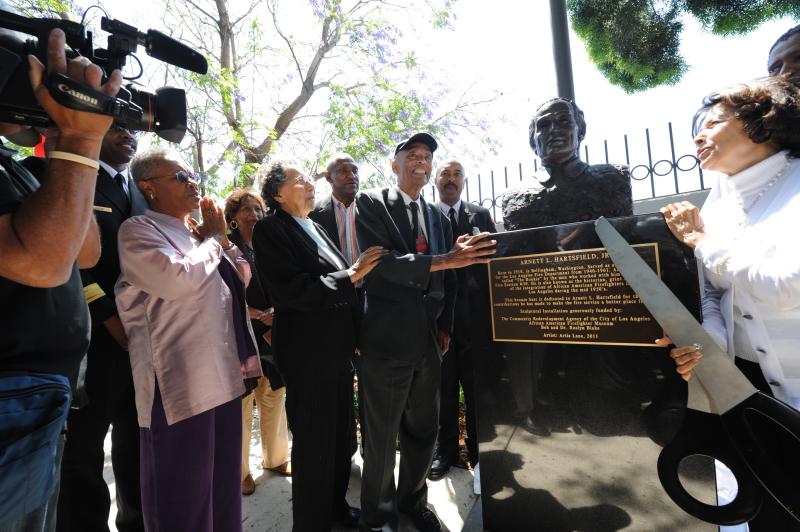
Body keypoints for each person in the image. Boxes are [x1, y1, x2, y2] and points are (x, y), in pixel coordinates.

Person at [659, 77, 800, 531]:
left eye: (714, 123)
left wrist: (702, 241)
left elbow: (789, 283)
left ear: (763, 124)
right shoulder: (718, 200)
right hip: (747, 392)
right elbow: (716, 292)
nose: (699, 136)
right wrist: (708, 347)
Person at [0, 27, 120, 530]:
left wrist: (62, 145)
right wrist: (82, 136)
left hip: (39, 402)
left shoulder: (19, 167)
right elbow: (44, 262)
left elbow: (84, 249)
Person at [355, 133, 495, 532]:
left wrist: (445, 326)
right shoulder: (371, 202)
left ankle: (413, 502)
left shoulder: (435, 214)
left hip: (429, 342)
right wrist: (445, 259)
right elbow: (381, 266)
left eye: (427, 156)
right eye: (412, 155)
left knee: (423, 430)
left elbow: (448, 278)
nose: (421, 161)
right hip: (386, 340)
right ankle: (378, 517)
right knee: (382, 437)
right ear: (395, 164)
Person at [115, 148, 260, 532]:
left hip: (224, 376)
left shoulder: (196, 231)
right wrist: (213, 241)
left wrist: (221, 241)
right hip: (177, 383)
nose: (193, 182)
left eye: (192, 174)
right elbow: (176, 280)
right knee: (182, 496)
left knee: (223, 489)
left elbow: (241, 276)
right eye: (180, 177)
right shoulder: (138, 230)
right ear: (148, 188)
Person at [253, 160, 386, 531]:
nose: (311, 184)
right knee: (315, 446)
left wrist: (356, 336)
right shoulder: (270, 230)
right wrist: (353, 273)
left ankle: (335, 512)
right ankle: (311, 523)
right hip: (308, 357)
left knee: (341, 440)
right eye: (301, 181)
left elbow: (342, 293)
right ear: (277, 193)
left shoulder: (314, 226)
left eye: (311, 179)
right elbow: (293, 291)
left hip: (338, 354)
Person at [500, 98, 633, 436]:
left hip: (604, 315)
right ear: (533, 140)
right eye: (543, 126)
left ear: (580, 130)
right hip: (545, 319)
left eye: (562, 122)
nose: (553, 131)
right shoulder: (516, 195)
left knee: (608, 407)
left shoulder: (611, 178)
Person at [57, 125, 146, 532]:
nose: (127, 134)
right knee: (86, 446)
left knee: (136, 437)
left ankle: (137, 519)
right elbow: (76, 260)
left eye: (132, 127)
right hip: (96, 338)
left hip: (145, 337)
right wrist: (109, 318)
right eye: (116, 126)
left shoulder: (144, 189)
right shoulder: (75, 176)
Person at [429, 159, 497, 480]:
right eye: (445, 174)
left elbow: (497, 263)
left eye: (457, 174)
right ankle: (445, 453)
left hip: (475, 319)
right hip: (439, 320)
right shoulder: (425, 217)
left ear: (464, 181)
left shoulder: (480, 216)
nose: (451, 179)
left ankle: (478, 453)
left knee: (474, 388)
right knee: (442, 390)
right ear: (435, 180)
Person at [223, 188, 291, 497]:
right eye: (246, 209)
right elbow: (222, 296)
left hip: (273, 335)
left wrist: (275, 312)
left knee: (274, 396)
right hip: (240, 337)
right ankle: (239, 474)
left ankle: (276, 459)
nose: (254, 215)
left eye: (258, 209)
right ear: (233, 217)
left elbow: (284, 283)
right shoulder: (223, 248)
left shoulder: (269, 246)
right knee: (241, 405)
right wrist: (259, 316)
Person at [309, 152, 363, 458]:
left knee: (370, 379)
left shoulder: (373, 209)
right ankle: (346, 448)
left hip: (369, 304)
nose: (351, 175)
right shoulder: (314, 215)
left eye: (354, 170)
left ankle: (374, 448)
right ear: (328, 178)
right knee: (340, 381)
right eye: (343, 171)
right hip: (332, 308)